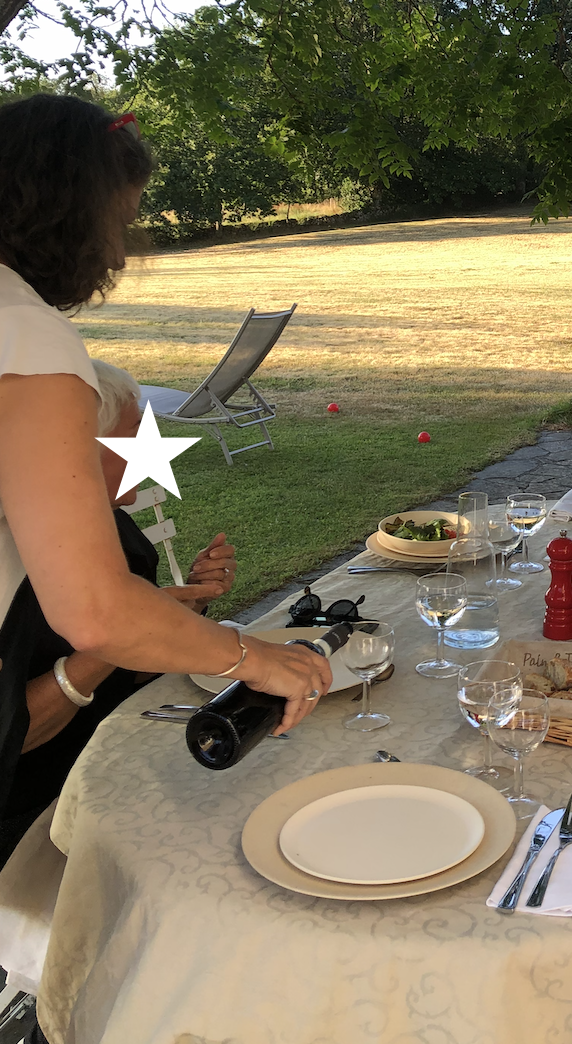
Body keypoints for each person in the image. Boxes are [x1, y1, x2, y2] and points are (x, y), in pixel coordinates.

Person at [0, 95, 329, 829]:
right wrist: (252, 658)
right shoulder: (23, 330)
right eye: (118, 222)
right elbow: (94, 611)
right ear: (64, 208)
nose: (118, 255)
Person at [0, 360, 238, 867]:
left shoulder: (112, 526)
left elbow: (132, 671)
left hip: (119, 754)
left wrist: (187, 606)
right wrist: (118, 634)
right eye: (133, 434)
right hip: (37, 814)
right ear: (74, 447)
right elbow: (11, 735)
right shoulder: (9, 563)